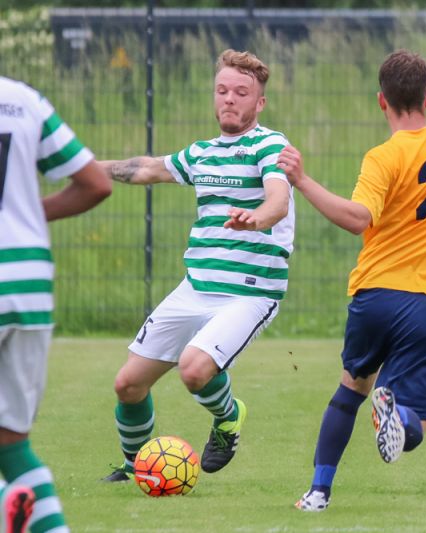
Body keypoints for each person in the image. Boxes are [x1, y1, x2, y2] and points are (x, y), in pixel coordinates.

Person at [277, 50, 426, 511]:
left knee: (351, 388)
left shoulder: (383, 156)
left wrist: (302, 181)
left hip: (374, 296)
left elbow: (358, 218)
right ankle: (398, 416)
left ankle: (318, 492)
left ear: (381, 100)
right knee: (414, 427)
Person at [98, 49, 294, 481]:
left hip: (249, 291)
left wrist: (255, 218)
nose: (229, 99)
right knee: (128, 384)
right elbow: (147, 169)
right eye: (222, 90)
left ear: (260, 102)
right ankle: (136, 468)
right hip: (196, 287)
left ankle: (228, 418)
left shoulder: (269, 145)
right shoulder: (202, 153)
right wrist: (84, 167)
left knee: (193, 368)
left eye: (241, 92)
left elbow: (278, 200)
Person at [0, 76, 112, 532]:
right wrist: (25, 213)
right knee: (12, 444)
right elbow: (95, 182)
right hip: (28, 282)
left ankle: (7, 507)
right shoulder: (23, 100)